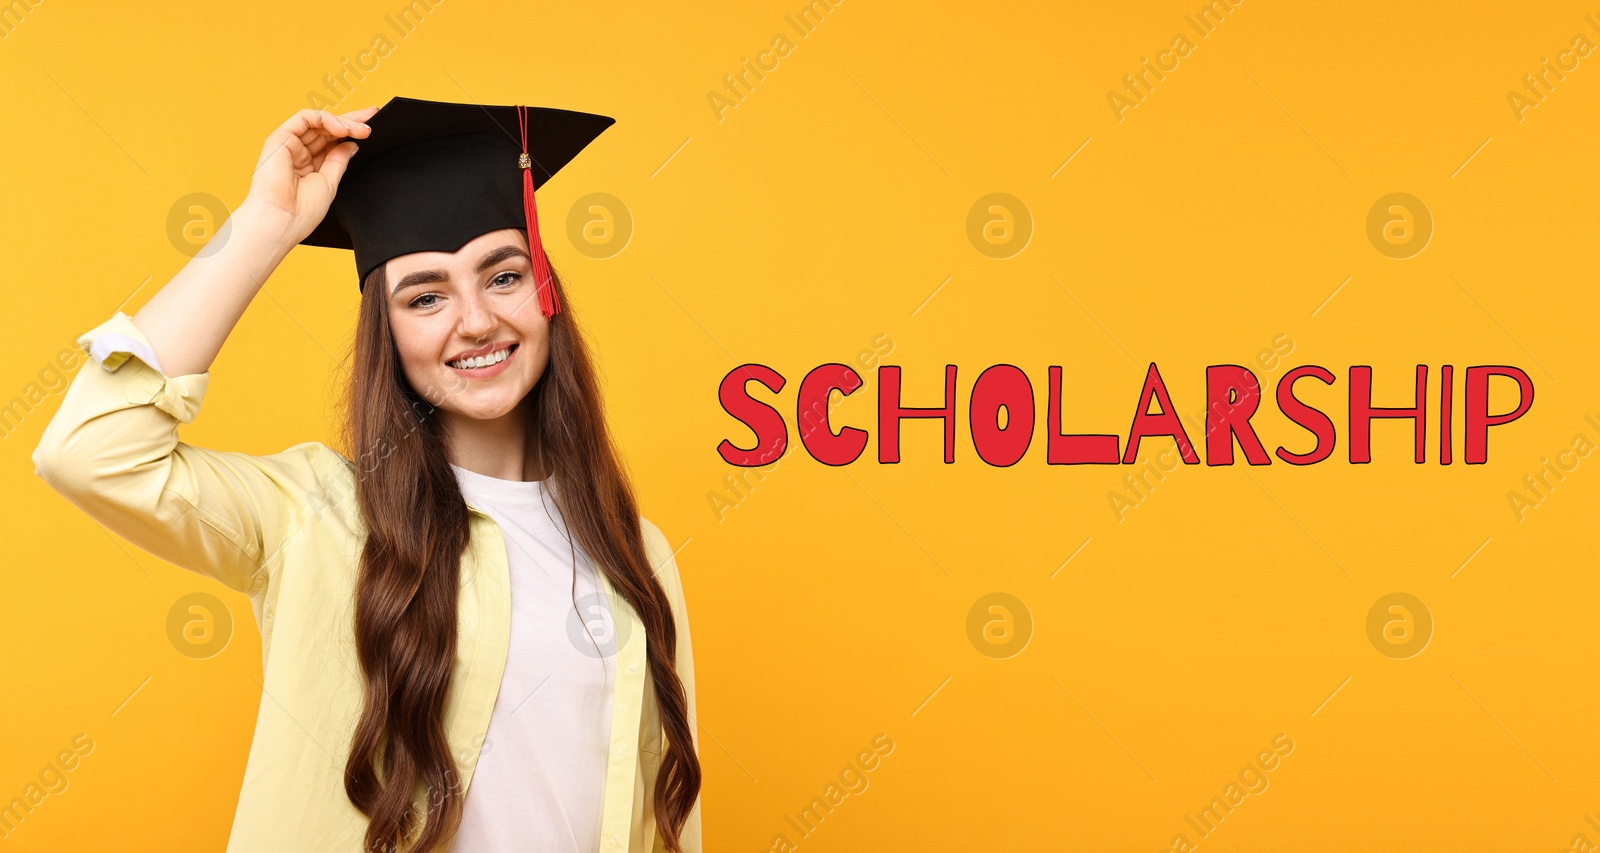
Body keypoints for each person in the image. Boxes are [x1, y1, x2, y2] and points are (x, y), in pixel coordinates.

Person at [30, 97, 701, 853]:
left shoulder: (634, 553)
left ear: (546, 294)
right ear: (387, 332)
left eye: (504, 276)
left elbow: (660, 816)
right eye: (425, 296)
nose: (475, 320)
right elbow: (89, 450)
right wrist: (262, 227)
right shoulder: (313, 518)